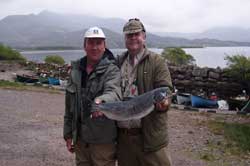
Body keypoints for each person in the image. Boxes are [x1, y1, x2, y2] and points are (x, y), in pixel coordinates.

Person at [116, 18, 173, 166]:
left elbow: (166, 90)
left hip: (150, 139)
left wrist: (164, 104)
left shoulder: (157, 61)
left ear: (144, 36)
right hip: (124, 140)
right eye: (129, 35)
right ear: (125, 39)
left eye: (137, 34)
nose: (133, 38)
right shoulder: (118, 62)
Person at [63, 26, 121, 166]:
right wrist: (68, 134)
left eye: (98, 43)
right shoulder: (76, 70)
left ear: (104, 46)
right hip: (81, 140)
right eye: (91, 43)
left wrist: (101, 101)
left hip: (103, 143)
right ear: (85, 46)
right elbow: (69, 107)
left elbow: (114, 92)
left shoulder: (112, 69)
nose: (94, 47)